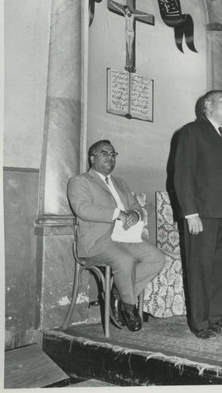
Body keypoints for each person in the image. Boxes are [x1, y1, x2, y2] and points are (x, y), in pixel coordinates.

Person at [67, 139, 165, 332]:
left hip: (125, 238)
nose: (110, 158)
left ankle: (117, 295)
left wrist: (135, 215)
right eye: (104, 153)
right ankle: (130, 308)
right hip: (97, 241)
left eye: (113, 155)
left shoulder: (120, 183)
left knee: (157, 258)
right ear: (92, 157)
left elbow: (136, 206)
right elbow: (82, 208)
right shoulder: (80, 181)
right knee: (125, 260)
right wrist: (118, 213)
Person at [173, 90, 222, 339]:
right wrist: (190, 213)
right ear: (207, 106)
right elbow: (182, 175)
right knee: (200, 267)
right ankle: (200, 323)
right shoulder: (191, 131)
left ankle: (215, 319)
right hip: (203, 213)